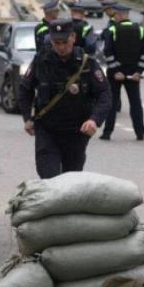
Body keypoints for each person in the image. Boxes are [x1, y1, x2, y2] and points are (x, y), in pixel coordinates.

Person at [18, 19, 111, 179]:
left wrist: (94, 120)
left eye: (65, 42)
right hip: (47, 130)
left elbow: (105, 94)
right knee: (49, 177)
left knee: (71, 181)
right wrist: (27, 118)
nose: (61, 47)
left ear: (73, 37)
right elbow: (24, 89)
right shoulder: (41, 60)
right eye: (56, 42)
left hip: (76, 133)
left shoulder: (86, 63)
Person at [100, 4, 144, 141]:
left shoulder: (113, 30)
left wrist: (116, 71)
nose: (114, 17)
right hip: (133, 75)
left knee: (112, 104)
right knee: (135, 104)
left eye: (114, 15)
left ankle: (107, 133)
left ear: (119, 15)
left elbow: (108, 53)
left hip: (115, 75)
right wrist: (139, 72)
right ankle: (140, 133)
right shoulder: (139, 29)